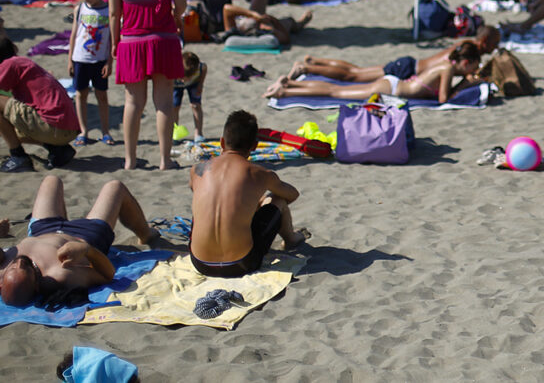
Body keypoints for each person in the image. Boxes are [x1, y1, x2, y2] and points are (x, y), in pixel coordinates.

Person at [0, 176, 159, 307]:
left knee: (51, 180)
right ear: (36, 285)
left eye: (13, 266)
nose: (19, 262)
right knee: (115, 187)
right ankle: (145, 233)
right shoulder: (60, 274)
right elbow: (107, 274)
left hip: (42, 229)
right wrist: (86, 249)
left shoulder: (2, 267)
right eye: (25, 268)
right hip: (86, 235)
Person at [189, 111, 307, 278]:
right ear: (255, 146)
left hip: (200, 263)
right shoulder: (259, 174)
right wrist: (258, 200)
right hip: (240, 264)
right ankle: (291, 239)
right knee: (277, 199)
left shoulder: (197, 170)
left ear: (222, 142)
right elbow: (292, 195)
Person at [110, 0, 186, 171]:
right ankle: (165, 160)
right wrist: (176, 16)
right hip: (162, 40)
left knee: (133, 102)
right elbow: (182, 4)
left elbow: (113, 14)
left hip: (131, 42)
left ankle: (130, 160)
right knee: (163, 102)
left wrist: (114, 43)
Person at [264, 41, 482, 103]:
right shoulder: (447, 68)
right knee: (336, 90)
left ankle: (291, 85)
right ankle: (287, 90)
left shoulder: (447, 65)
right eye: (474, 65)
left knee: (340, 86)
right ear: (465, 62)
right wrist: (465, 85)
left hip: (394, 85)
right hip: (393, 87)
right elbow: (444, 99)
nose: (474, 70)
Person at [287, 26, 501, 82]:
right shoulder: (468, 54)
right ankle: (307, 67)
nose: (495, 47)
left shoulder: (466, 46)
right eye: (494, 43)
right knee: (353, 76)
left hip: (409, 64)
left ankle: (313, 60)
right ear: (484, 42)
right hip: (406, 69)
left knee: (355, 70)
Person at [0, 38, 79, 172]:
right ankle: (57, 149)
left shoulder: (9, 64)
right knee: (11, 129)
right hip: (67, 129)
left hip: (55, 127)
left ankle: (18, 156)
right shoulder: (23, 63)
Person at [68, 0, 114, 147]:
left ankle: (105, 131)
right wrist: (70, 59)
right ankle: (83, 131)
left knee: (102, 96)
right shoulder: (79, 8)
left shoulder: (108, 10)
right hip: (80, 58)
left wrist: (110, 62)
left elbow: (110, 39)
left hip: (99, 60)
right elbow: (74, 35)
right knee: (81, 95)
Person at [222, 0, 313, 46]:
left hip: (252, 17)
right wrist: (272, 20)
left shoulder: (236, 31)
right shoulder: (266, 31)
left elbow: (227, 8)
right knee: (290, 22)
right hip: (268, 23)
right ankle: (301, 23)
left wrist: (254, 15)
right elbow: (286, 39)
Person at [173, 51, 207, 142]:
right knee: (174, 107)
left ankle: (198, 133)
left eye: (186, 78)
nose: (184, 81)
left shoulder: (199, 67)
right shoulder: (173, 68)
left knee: (195, 105)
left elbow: (204, 68)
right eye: (182, 77)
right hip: (175, 86)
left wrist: (200, 84)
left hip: (194, 84)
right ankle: (174, 132)